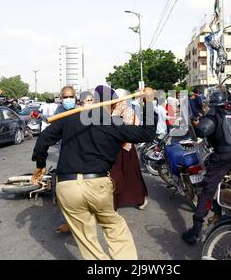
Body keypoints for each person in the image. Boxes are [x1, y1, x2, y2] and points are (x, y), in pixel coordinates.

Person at [31, 85, 157, 260]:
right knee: (114, 226)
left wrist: (40, 165)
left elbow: (43, 139)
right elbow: (147, 134)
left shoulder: (70, 118)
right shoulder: (113, 123)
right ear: (109, 105)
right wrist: (149, 103)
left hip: (67, 187)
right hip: (97, 186)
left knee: (86, 239)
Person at [183, 89, 231, 245]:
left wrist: (195, 122)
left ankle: (195, 231)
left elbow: (200, 131)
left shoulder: (213, 116)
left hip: (222, 157)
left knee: (207, 191)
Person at [111, 88, 149, 210]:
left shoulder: (129, 111)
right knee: (114, 177)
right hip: (114, 149)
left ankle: (140, 199)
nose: (117, 102)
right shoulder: (111, 111)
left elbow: (130, 129)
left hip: (127, 149)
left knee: (132, 175)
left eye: (120, 99)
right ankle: (114, 203)